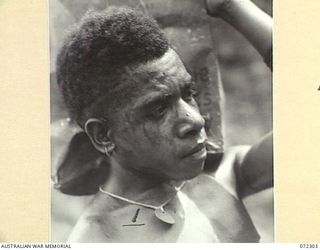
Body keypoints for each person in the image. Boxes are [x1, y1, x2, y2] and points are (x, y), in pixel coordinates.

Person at [54, 0, 273, 242]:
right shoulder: (98, 240)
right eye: (158, 109)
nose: (196, 119)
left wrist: (230, 6)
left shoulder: (221, 177)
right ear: (103, 135)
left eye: (189, 94)